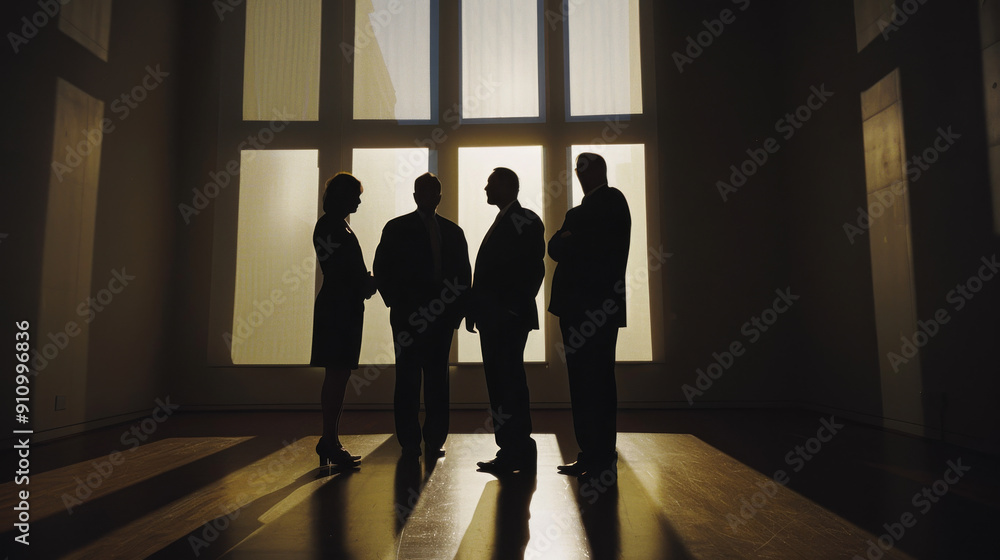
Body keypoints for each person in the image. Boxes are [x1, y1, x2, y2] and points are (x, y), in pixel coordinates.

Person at [373, 173, 472, 458]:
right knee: (413, 380)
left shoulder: (449, 232)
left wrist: (453, 315)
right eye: (424, 193)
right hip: (413, 317)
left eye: (433, 193)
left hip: (431, 319)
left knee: (431, 380)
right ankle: (413, 441)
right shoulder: (402, 228)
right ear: (416, 196)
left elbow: (463, 276)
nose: (429, 198)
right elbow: (382, 269)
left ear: (438, 197)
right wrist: (397, 304)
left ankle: (428, 440)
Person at [548, 153, 630, 478]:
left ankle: (600, 455)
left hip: (593, 310)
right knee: (584, 383)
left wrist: (570, 237)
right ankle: (592, 454)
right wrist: (570, 238)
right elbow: (555, 248)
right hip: (583, 309)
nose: (579, 173)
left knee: (593, 382)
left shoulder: (609, 202)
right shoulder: (582, 211)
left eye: (584, 168)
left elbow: (578, 246)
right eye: (577, 168)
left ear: (599, 170)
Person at [468, 168, 545, 475]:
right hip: (497, 317)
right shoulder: (512, 220)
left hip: (506, 318)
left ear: (508, 187)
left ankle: (519, 451)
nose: (485, 188)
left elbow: (532, 269)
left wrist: (512, 309)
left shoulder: (523, 220)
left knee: (507, 383)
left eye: (491, 184)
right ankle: (511, 451)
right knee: (502, 383)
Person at [310, 173, 377, 469]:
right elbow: (347, 272)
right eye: (355, 195)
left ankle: (330, 440)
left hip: (339, 306)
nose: (359, 200)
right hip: (340, 309)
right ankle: (329, 439)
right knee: (337, 374)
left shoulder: (333, 226)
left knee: (338, 375)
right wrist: (370, 283)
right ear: (343, 197)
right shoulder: (335, 227)